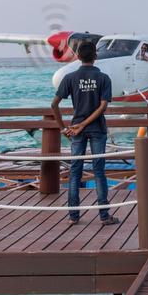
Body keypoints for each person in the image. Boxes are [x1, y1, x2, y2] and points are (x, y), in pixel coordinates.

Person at [51, 40, 119, 225]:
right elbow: (102, 106)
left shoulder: (70, 78)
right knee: (98, 171)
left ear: (78, 57)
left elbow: (54, 104)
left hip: (75, 131)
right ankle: (104, 216)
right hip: (97, 129)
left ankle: (73, 215)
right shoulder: (104, 78)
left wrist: (63, 127)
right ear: (95, 57)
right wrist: (84, 124)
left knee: (75, 172)